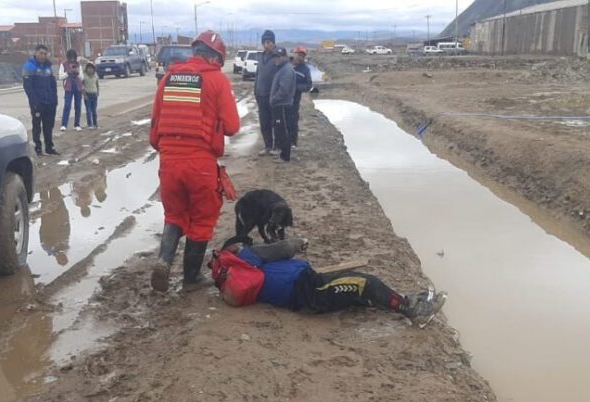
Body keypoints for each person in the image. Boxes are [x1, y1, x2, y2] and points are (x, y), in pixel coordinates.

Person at [149, 30, 241, 292]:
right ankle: (191, 278)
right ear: (215, 58)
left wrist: (168, 150)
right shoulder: (217, 81)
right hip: (200, 164)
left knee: (175, 214)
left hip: (169, 162)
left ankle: (164, 261)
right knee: (202, 220)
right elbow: (233, 126)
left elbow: (154, 130)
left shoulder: (168, 78)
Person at [211, 237, 447, 327]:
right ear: (232, 250)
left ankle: (405, 300)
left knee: (356, 293)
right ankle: (413, 311)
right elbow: (283, 248)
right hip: (309, 290)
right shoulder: (247, 257)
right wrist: (299, 241)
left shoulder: (238, 271)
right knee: (365, 282)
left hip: (304, 288)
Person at [23, 44, 60, 156]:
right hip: (38, 103)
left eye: (45, 53)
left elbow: (53, 85)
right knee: (37, 126)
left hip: (50, 102)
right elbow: (28, 87)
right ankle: (38, 148)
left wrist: (55, 99)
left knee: (49, 126)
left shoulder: (49, 67)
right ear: (36, 53)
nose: (43, 56)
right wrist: (35, 103)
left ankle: (49, 147)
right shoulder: (29, 67)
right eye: (41, 53)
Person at [254, 30, 282, 156]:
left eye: (269, 42)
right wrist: (256, 91)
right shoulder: (261, 57)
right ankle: (268, 146)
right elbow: (258, 75)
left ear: (273, 42)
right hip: (261, 95)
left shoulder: (278, 57)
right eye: (264, 42)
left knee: (276, 122)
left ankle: (277, 146)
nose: (266, 45)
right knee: (264, 122)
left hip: (274, 97)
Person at [269, 48, 296, 163]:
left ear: (284, 56)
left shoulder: (287, 70)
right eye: (275, 57)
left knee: (284, 131)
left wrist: (274, 99)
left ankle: (285, 156)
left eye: (278, 57)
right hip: (280, 105)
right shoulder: (282, 68)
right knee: (281, 130)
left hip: (283, 105)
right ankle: (283, 154)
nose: (276, 59)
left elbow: (284, 90)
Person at [291, 47, 313, 149]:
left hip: (294, 99)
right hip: (281, 98)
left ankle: (292, 143)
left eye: (302, 55)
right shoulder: (286, 64)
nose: (300, 57)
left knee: (293, 120)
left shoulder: (305, 70)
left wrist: (295, 88)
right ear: (294, 54)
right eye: (298, 54)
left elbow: (308, 85)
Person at [60, 49, 84, 131]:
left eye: (73, 57)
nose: (72, 59)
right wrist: (68, 72)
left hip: (78, 87)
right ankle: (64, 124)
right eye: (70, 57)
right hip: (68, 87)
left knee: (78, 106)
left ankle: (77, 124)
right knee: (67, 106)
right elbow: (60, 77)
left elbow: (82, 78)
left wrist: (77, 72)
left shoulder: (78, 65)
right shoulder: (63, 65)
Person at [83, 63, 100, 130]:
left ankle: (95, 124)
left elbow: (97, 84)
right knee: (88, 110)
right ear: (86, 69)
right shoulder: (84, 76)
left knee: (94, 110)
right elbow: (82, 86)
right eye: (89, 68)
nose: (90, 70)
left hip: (94, 94)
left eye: (91, 68)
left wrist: (98, 92)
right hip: (87, 94)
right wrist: (84, 95)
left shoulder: (95, 75)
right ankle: (90, 124)